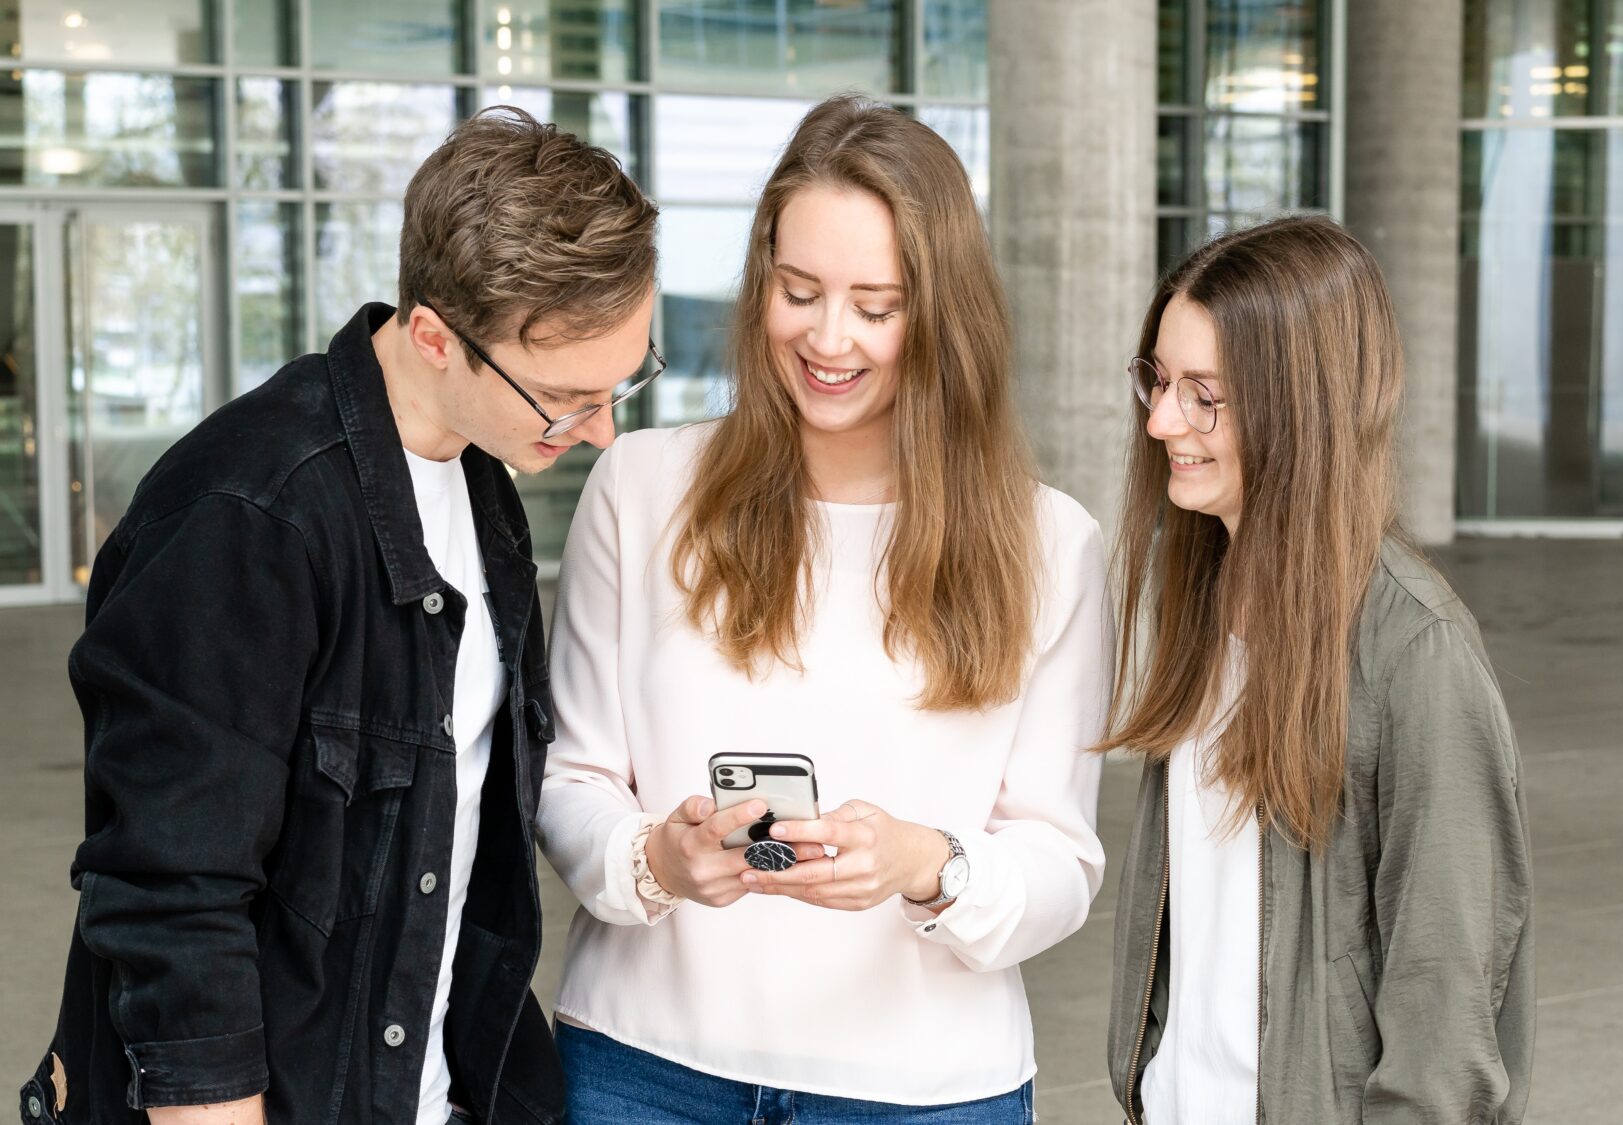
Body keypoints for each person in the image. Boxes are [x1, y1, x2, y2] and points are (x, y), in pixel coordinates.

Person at [18, 107, 659, 1125]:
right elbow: (169, 887)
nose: (598, 430)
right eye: (564, 397)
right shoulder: (249, 512)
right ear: (435, 337)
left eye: (623, 383)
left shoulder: (479, 487)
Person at [535, 95, 1108, 1125]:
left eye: (874, 306)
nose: (826, 338)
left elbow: (1058, 863)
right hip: (642, 1069)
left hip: (924, 1093)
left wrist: (925, 865)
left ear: (940, 314)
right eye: (797, 292)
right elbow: (571, 777)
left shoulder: (1048, 544)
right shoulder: (639, 487)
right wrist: (654, 861)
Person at [1100, 216, 1535, 1125]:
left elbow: (1444, 1026)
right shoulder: (1203, 609)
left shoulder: (1417, 657)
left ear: (1302, 406)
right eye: (1159, 380)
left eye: (1202, 394)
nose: (1160, 421)